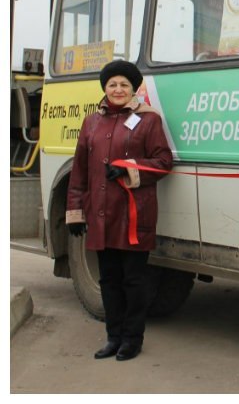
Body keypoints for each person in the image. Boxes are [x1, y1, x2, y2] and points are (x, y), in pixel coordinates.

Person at [66, 60, 173, 361]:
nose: (118, 89)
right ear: (105, 88)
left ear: (133, 89)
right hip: (101, 216)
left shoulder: (149, 121)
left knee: (135, 281)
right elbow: (79, 172)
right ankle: (113, 337)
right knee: (109, 280)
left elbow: (164, 161)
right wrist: (75, 212)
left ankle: (132, 339)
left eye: (124, 85)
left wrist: (130, 170)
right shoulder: (91, 123)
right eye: (112, 84)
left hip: (133, 216)